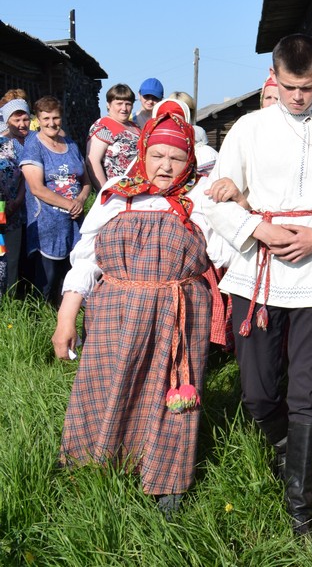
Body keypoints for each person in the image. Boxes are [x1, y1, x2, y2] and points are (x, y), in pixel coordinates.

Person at [204, 34, 312, 536]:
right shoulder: (248, 128)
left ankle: (301, 509)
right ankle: (285, 450)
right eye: (287, 87)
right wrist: (259, 228)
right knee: (257, 392)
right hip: (255, 272)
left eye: (305, 87)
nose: (297, 97)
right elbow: (214, 200)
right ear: (273, 80)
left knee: (306, 391)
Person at [51, 108, 230, 516]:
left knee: (171, 396)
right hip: (114, 311)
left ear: (190, 161)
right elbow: (86, 259)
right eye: (158, 155)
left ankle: (165, 483)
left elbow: (224, 253)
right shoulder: (116, 191)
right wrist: (66, 319)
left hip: (176, 310)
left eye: (177, 158)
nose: (166, 166)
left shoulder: (200, 197)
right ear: (144, 151)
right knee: (106, 386)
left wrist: (237, 200)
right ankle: (92, 468)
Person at [20, 96, 89, 302]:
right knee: (48, 280)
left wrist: (82, 200)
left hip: (74, 222)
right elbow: (36, 188)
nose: (52, 123)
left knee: (72, 276)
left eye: (56, 117)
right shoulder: (34, 147)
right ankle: (42, 323)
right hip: (48, 223)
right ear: (38, 119)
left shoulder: (70, 144)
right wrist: (69, 204)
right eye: (46, 118)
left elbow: (85, 180)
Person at [85, 84, 142, 189]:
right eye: (119, 104)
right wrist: (105, 191)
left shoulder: (136, 128)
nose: (124, 108)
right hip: (117, 192)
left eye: (128, 104)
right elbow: (92, 161)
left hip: (138, 189)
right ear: (108, 104)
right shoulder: (104, 126)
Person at [0, 99, 28, 291]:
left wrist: (17, 201)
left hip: (15, 211)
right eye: (15, 119)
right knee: (1, 256)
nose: (21, 123)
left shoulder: (17, 144)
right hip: (2, 210)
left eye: (25, 118)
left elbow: (26, 174)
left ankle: (11, 301)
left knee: (12, 258)